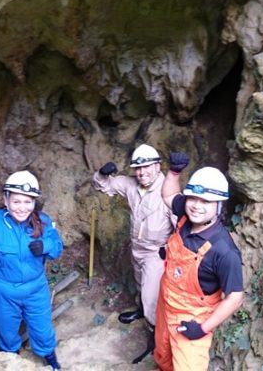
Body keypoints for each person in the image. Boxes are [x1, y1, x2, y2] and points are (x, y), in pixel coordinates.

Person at [0, 163, 63, 370]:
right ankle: (12, 360)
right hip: (2, 291)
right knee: (5, 332)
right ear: (6, 200)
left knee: (42, 331)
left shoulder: (42, 222)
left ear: (34, 202)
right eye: (16, 201)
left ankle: (50, 360)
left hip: (35, 289)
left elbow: (58, 246)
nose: (22, 207)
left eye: (28, 201)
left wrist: (46, 245)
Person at [92, 143, 183, 363]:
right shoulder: (132, 185)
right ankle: (142, 311)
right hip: (137, 248)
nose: (141, 173)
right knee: (141, 284)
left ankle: (155, 340)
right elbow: (103, 185)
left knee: (152, 297)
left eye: (147, 167)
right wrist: (101, 174)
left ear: (158, 166)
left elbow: (181, 226)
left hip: (156, 252)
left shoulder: (167, 192)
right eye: (138, 168)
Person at [154, 157, 244, 371]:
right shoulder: (186, 216)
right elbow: (168, 195)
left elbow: (235, 297)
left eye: (206, 201)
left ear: (219, 205)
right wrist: (174, 173)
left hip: (191, 318)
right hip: (166, 303)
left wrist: (203, 328)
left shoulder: (224, 250)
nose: (196, 205)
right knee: (163, 353)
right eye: (193, 198)